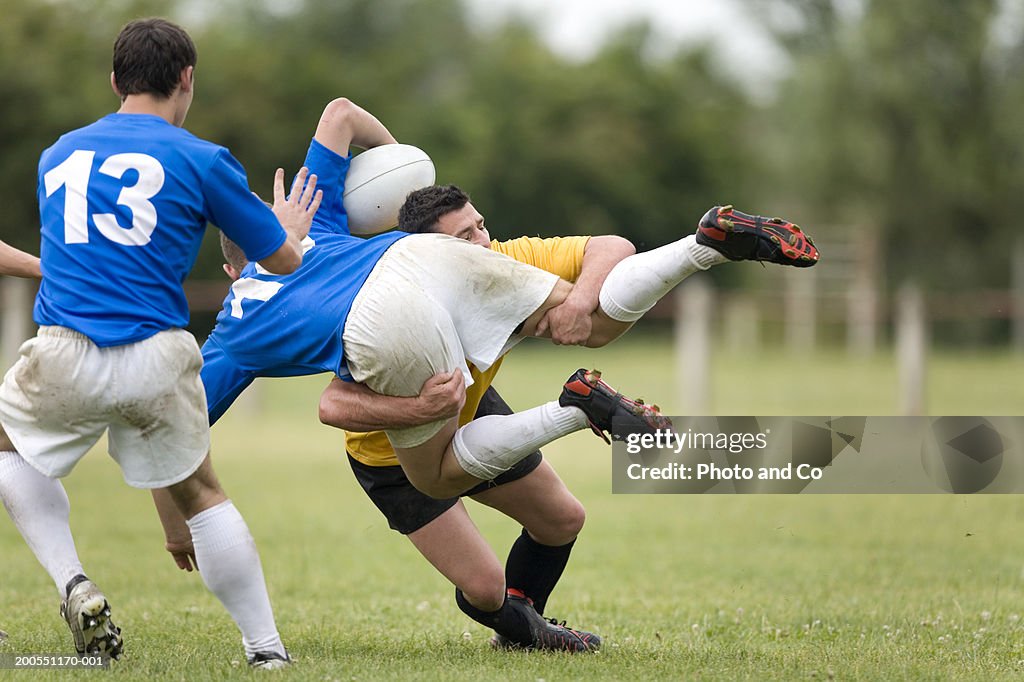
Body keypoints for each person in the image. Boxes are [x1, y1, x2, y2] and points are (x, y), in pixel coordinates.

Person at [0, 18, 320, 668]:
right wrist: (287, 228)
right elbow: (283, 262)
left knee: (7, 451)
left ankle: (72, 583)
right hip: (157, 353)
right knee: (200, 491)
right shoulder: (203, 158)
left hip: (64, 348)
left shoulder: (58, 154)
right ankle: (266, 652)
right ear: (187, 79)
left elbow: (78, 253)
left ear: (115, 80)